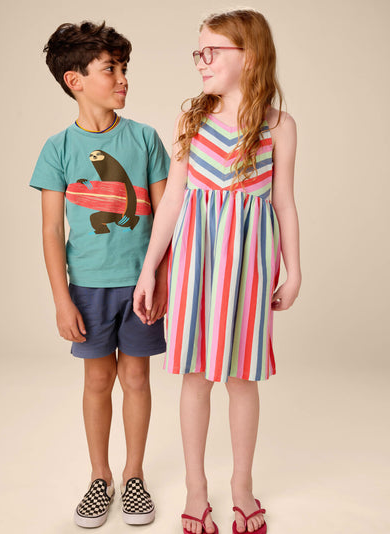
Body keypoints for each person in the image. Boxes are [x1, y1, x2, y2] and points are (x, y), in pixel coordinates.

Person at [133, 9, 301, 534]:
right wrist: (150, 269)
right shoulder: (192, 121)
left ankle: (242, 486)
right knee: (196, 375)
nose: (201, 62)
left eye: (213, 52)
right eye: (198, 52)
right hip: (195, 264)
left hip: (249, 266)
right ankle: (196, 488)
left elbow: (284, 201)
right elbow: (173, 201)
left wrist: (294, 270)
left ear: (249, 56)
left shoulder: (279, 126)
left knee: (242, 377)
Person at [30, 21, 170, 529]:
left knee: (136, 377)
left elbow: (166, 217)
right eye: (110, 69)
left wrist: (162, 278)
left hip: (141, 284)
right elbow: (52, 231)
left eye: (124, 68)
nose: (123, 78)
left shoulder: (146, 138)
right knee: (97, 380)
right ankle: (100, 476)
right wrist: (61, 299)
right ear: (76, 80)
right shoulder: (58, 148)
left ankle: (134, 475)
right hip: (87, 286)